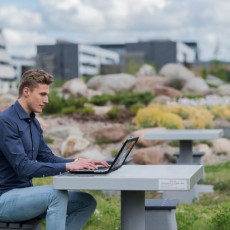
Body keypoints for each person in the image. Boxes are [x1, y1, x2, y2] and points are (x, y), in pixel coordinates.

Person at [0, 69, 110, 230]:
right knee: (56, 195)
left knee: (86, 202)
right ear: (26, 91)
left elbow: (48, 158)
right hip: (5, 198)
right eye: (42, 94)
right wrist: (67, 166)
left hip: (25, 194)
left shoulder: (33, 123)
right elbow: (23, 167)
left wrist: (79, 162)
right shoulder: (6, 122)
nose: (47, 100)